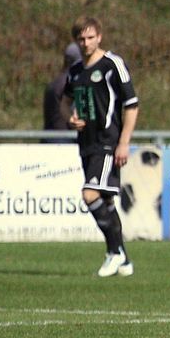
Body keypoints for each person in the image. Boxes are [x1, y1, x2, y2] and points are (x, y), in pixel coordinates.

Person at [59, 17, 139, 277]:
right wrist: (70, 119)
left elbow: (131, 105)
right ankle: (124, 260)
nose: (86, 43)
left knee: (90, 194)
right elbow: (65, 101)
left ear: (100, 37)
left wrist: (123, 142)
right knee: (105, 199)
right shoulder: (75, 70)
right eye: (81, 39)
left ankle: (114, 253)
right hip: (86, 143)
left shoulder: (112, 65)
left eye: (90, 37)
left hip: (108, 141)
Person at [43, 42, 81, 142]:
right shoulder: (72, 83)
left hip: (48, 137)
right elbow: (75, 117)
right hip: (64, 139)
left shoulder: (53, 83)